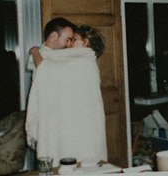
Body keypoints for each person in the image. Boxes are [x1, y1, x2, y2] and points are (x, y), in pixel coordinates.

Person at [25, 21, 108, 166]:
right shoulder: (71, 59)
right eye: (69, 40)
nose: (69, 45)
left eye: (73, 40)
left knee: (84, 159)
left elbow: (44, 69)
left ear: (85, 42)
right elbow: (50, 64)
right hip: (70, 119)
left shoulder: (85, 61)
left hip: (84, 124)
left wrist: (34, 51)